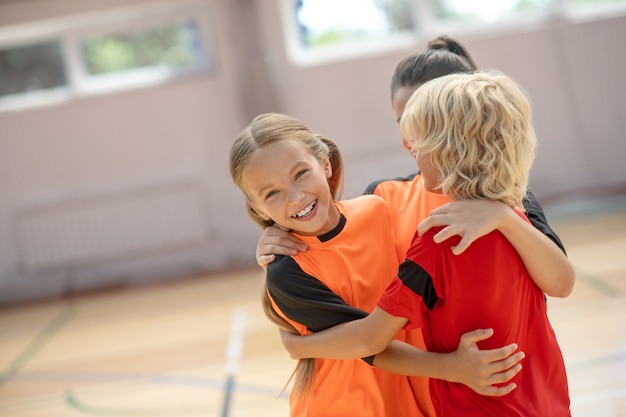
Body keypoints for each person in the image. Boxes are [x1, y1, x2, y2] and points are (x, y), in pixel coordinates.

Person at [254, 36, 574, 415]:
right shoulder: (382, 200)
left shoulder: (509, 198)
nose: (409, 140)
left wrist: (503, 217)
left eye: (424, 120)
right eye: (403, 122)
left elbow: (560, 281)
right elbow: (334, 254)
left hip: (504, 392)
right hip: (420, 396)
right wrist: (278, 239)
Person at [229, 112, 525, 417]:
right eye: (272, 193)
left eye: (300, 173)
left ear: (325, 163)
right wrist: (451, 367)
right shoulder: (286, 272)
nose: (295, 197)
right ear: (257, 207)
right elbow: (367, 341)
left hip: (410, 398)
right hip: (345, 406)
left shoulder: (375, 210)